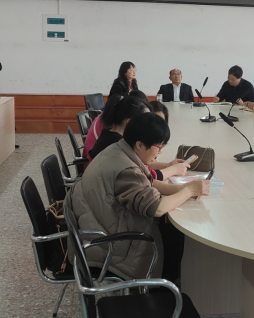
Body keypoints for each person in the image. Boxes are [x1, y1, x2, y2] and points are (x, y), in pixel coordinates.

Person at [65, 113, 210, 282]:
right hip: (108, 246)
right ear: (140, 144)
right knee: (173, 232)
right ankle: (163, 289)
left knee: (170, 226)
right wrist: (188, 191)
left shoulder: (118, 150)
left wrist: (182, 189)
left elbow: (148, 182)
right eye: (158, 147)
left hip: (98, 226)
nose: (160, 152)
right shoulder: (126, 169)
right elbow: (157, 208)